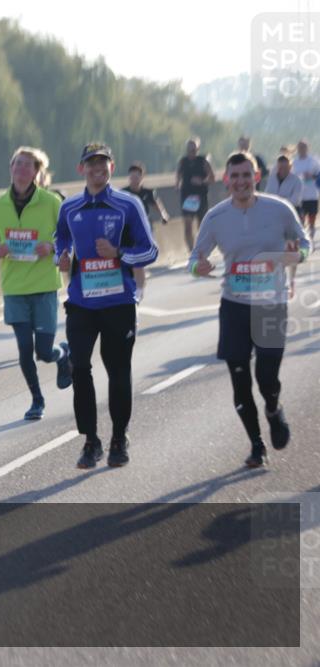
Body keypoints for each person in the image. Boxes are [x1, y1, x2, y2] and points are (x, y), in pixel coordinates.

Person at [189, 151, 309, 467]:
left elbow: (304, 242)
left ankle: (273, 407)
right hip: (235, 306)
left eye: (247, 175)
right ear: (227, 180)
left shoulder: (279, 210)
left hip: (271, 304)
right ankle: (256, 446)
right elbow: (193, 259)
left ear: (256, 177)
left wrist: (300, 254)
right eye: (235, 176)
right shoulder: (215, 217)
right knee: (240, 378)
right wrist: (197, 267)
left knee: (266, 377)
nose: (241, 182)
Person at [55, 143, 159, 469]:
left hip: (118, 302)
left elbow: (150, 250)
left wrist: (119, 254)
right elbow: (61, 237)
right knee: (79, 367)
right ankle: (91, 441)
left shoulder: (127, 204)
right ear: (81, 169)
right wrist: (63, 253)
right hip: (82, 303)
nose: (97, 169)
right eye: (91, 164)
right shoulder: (69, 207)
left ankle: (118, 437)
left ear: (111, 168)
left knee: (117, 371)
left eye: (103, 164)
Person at [0, 146, 71, 421]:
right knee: (23, 349)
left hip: (43, 287)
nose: (21, 169)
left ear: (36, 172)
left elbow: (67, 235)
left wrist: (51, 247)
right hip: (15, 288)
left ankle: (62, 355)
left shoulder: (51, 202)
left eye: (27, 165)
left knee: (43, 351)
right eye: (17, 164)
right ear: (11, 169)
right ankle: (37, 400)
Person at [121, 162, 171, 302]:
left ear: (142, 177)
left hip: (143, 230)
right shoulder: (124, 193)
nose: (134, 179)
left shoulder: (147, 193)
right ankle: (133, 285)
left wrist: (163, 215)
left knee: (138, 261)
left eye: (137, 177)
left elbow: (157, 205)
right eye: (132, 177)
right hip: (127, 231)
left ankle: (140, 289)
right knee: (127, 261)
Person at [175, 137, 216, 252]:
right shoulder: (182, 161)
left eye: (194, 149)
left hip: (201, 196)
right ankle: (191, 252)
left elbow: (213, 179)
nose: (191, 151)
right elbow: (178, 175)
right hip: (187, 197)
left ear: (198, 149)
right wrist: (177, 185)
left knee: (201, 226)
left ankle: (202, 250)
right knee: (187, 227)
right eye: (189, 149)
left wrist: (202, 182)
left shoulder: (203, 161)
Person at [292, 139, 320, 246]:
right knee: (301, 220)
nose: (302, 149)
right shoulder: (294, 162)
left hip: (312, 194)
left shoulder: (314, 161)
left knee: (312, 219)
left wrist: (312, 176)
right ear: (297, 149)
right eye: (300, 147)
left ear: (307, 148)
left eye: (304, 147)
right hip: (300, 196)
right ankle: (303, 240)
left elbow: (319, 175)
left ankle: (311, 238)